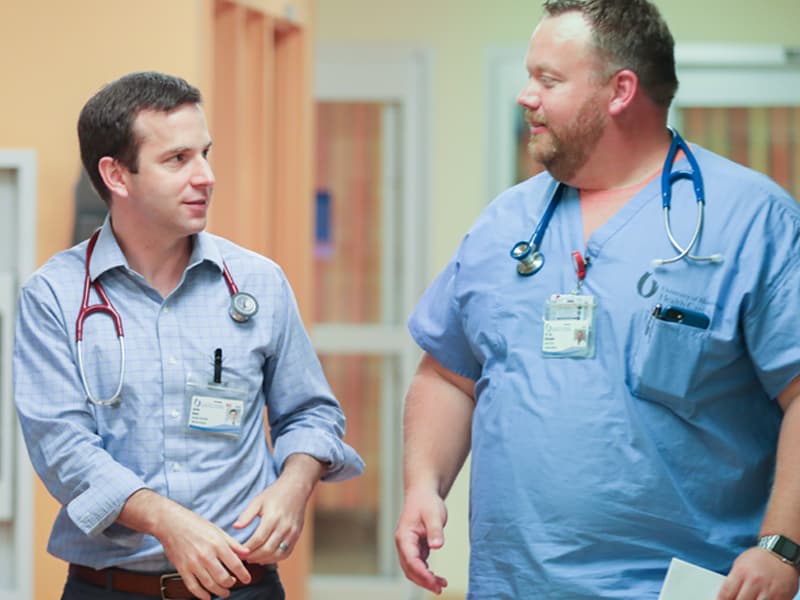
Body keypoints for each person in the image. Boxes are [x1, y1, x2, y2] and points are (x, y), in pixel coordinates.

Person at [394, 1, 800, 599]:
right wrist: (423, 485)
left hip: (682, 586)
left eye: (547, 79)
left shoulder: (750, 220)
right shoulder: (506, 223)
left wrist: (781, 545)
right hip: (514, 584)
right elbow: (448, 375)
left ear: (620, 91)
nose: (525, 96)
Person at [13, 71, 364, 600]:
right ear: (117, 175)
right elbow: (63, 448)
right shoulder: (55, 296)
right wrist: (166, 522)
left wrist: (295, 484)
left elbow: (310, 412)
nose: (206, 176)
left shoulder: (256, 282)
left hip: (242, 586)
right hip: (109, 587)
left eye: (205, 153)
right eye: (178, 160)